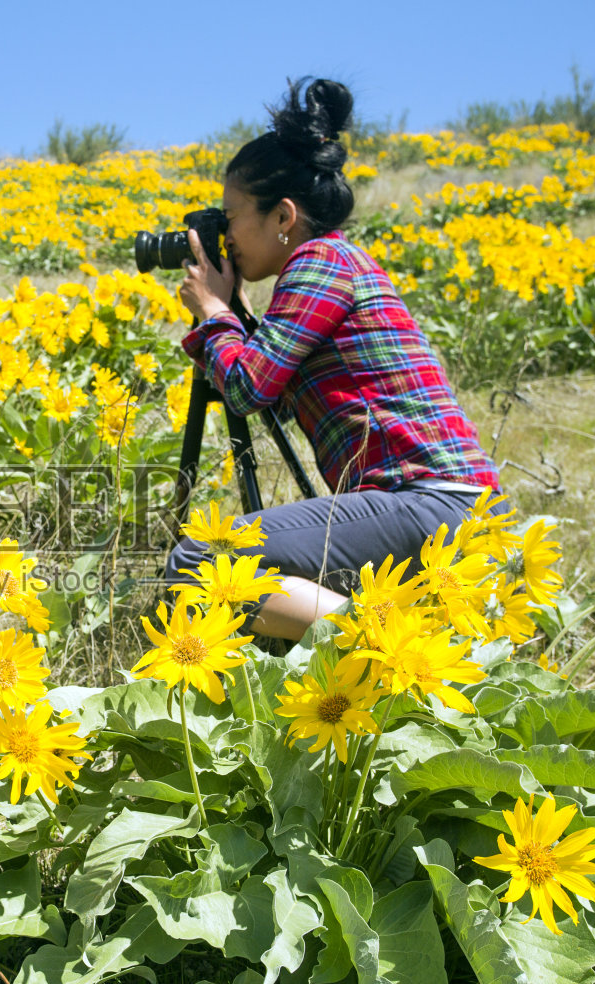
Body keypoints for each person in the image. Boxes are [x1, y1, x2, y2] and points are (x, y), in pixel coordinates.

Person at [167, 75, 508, 646]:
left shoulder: (321, 260)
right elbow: (265, 373)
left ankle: (379, 646)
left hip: (429, 501)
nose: (223, 236)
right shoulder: (333, 264)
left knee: (203, 561)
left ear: (282, 216)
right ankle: (378, 640)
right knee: (247, 576)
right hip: (442, 503)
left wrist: (212, 314)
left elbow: (248, 389)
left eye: (229, 218)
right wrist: (235, 312)